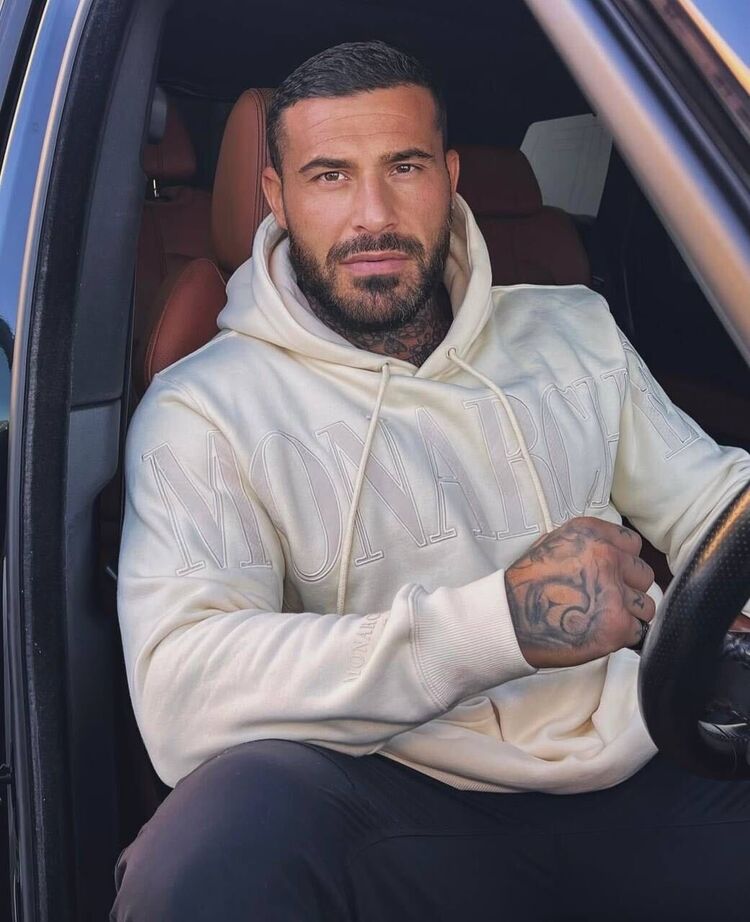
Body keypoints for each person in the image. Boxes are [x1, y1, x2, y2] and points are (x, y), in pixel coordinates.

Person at [112, 41, 750, 922]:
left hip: (640, 756)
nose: (372, 215)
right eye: (330, 176)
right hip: (388, 797)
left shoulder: (575, 331)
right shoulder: (206, 408)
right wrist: (502, 623)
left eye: (403, 167)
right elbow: (185, 692)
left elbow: (716, 505)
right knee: (214, 843)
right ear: (277, 197)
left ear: (449, 177)